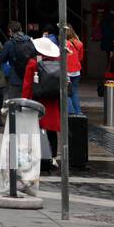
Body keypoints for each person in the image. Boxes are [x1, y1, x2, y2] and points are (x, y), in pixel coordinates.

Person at [23, 35, 63, 167]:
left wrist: (25, 100)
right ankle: (52, 157)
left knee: (36, 129)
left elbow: (28, 84)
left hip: (37, 101)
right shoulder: (59, 61)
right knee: (52, 130)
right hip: (53, 101)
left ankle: (37, 156)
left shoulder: (33, 63)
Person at [65, 26, 86, 117]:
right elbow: (80, 58)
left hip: (67, 71)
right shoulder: (79, 43)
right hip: (76, 71)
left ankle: (70, 112)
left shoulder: (64, 44)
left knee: (66, 92)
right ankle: (78, 112)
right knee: (74, 92)